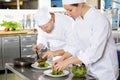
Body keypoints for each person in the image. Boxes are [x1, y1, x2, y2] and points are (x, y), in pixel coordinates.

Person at [51, 0, 119, 80]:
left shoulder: (99, 20)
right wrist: (62, 59)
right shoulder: (78, 21)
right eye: (66, 10)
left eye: (70, 10)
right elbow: (75, 45)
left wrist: (67, 62)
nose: (68, 14)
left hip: (105, 72)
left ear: (80, 4)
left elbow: (94, 52)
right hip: (90, 71)